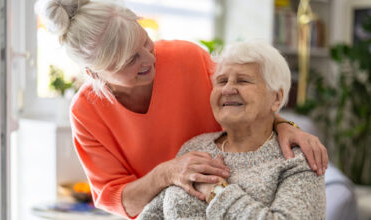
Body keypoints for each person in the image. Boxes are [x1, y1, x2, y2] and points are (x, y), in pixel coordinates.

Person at [38, 0, 328, 218]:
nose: (147, 59)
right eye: (129, 61)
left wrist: (285, 125)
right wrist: (168, 173)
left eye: (144, 42)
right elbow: (117, 197)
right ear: (96, 75)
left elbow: (243, 97)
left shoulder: (185, 58)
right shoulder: (86, 112)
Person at [138, 41, 327, 219]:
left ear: (276, 98)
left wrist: (217, 192)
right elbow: (152, 215)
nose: (228, 89)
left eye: (243, 81)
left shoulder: (298, 160)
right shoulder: (194, 147)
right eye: (221, 81)